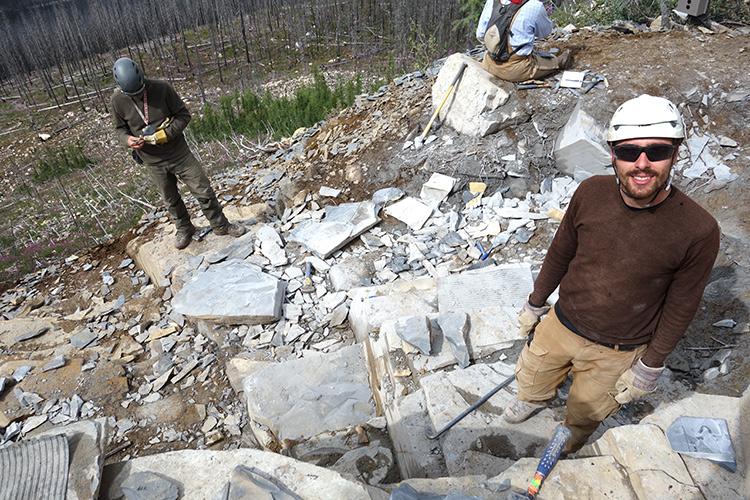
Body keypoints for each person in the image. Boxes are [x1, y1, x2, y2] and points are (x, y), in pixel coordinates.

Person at [504, 95, 720, 453]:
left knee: (587, 410)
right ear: (612, 154)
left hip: (619, 349)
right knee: (532, 376)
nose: (642, 163)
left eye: (657, 151)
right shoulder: (590, 193)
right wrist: (535, 304)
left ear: (676, 154)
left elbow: (681, 306)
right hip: (561, 323)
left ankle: (571, 435)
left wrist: (650, 367)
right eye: (629, 151)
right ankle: (534, 400)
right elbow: (561, 252)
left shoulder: (698, 229)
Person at [110, 57, 245, 249]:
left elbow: (183, 115)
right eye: (133, 94)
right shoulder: (117, 100)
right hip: (152, 159)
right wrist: (127, 140)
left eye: (140, 92)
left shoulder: (161, 89)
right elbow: (119, 129)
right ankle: (184, 228)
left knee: (203, 189)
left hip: (178, 153)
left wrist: (166, 134)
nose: (138, 96)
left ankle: (220, 225)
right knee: (170, 199)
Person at [476, 0, 570, 82]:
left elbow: (480, 35)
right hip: (514, 69)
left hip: (489, 62)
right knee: (555, 62)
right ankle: (559, 62)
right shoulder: (534, 6)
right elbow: (545, 33)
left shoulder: (492, 1)